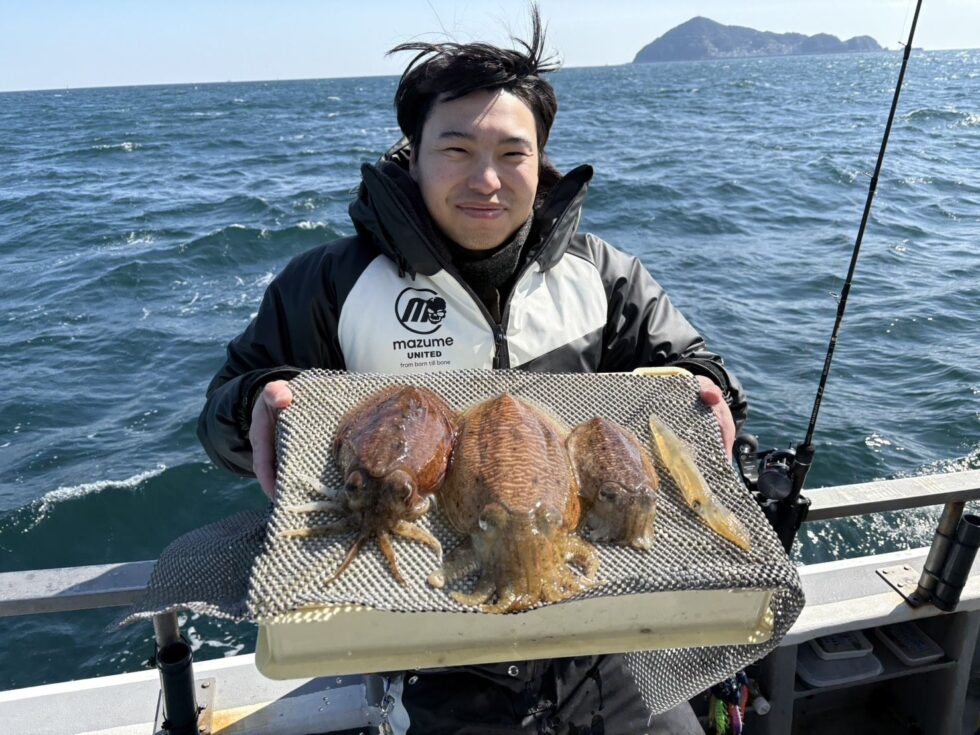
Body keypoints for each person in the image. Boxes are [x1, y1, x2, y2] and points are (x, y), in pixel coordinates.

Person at [198, 8, 745, 734]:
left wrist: (710, 394)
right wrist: (252, 410)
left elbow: (689, 368)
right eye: (455, 149)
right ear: (411, 153)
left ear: (541, 161)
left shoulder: (605, 276)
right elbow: (223, 416)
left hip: (597, 627)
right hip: (412, 631)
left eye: (511, 154)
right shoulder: (331, 284)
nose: (485, 179)